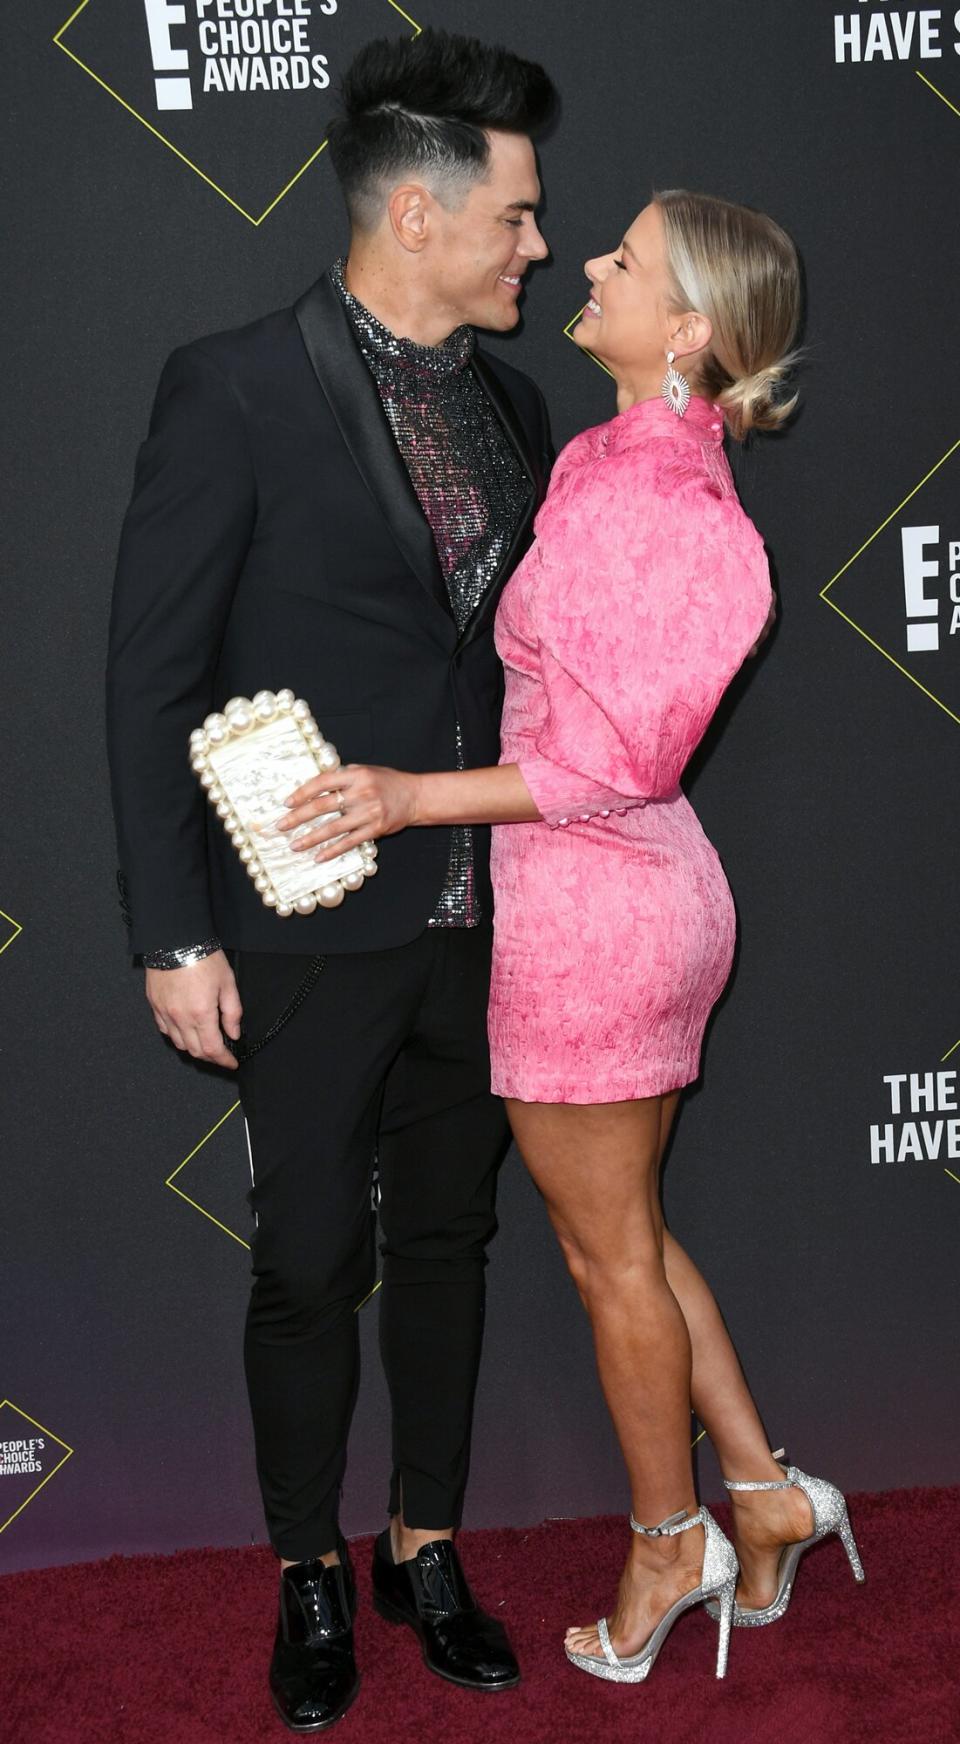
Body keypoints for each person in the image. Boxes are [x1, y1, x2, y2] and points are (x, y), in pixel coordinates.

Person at [282, 189, 865, 1688]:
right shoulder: (620, 466)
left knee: (607, 1257)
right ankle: (768, 1497)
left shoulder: (654, 505)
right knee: (633, 1239)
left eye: (624, 259)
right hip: (616, 900)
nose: (581, 264)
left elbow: (610, 765)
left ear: (690, 331)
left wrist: (408, 797)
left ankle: (672, 1541)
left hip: (596, 910)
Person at [106, 28, 556, 1732]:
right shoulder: (230, 384)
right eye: (514, 217)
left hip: (486, 916)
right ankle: (307, 1568)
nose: (534, 244)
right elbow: (148, 677)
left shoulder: (515, 406)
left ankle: (421, 1546)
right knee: (306, 1260)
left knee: (448, 1241)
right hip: (300, 924)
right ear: (419, 213)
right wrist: (168, 932)